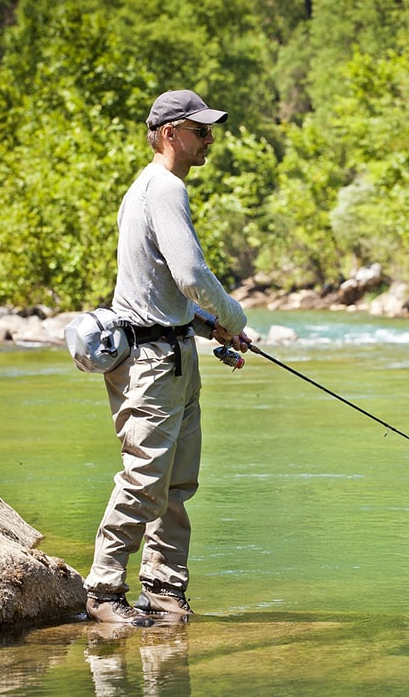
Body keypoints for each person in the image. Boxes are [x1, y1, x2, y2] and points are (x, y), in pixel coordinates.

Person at [83, 89, 251, 624]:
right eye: (202, 131)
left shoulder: (152, 189)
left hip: (173, 352)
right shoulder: (163, 189)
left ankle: (162, 587)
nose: (210, 140)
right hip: (152, 364)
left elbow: (160, 292)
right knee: (145, 480)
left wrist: (210, 328)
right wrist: (234, 316)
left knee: (176, 484)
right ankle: (104, 591)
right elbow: (191, 275)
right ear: (171, 132)